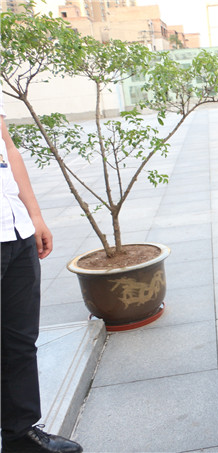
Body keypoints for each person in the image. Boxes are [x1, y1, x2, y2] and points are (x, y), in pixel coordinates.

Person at [1, 92, 83, 452]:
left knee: (18, 341)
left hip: (14, 229)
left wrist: (33, 215)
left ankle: (20, 435)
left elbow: (7, 147)